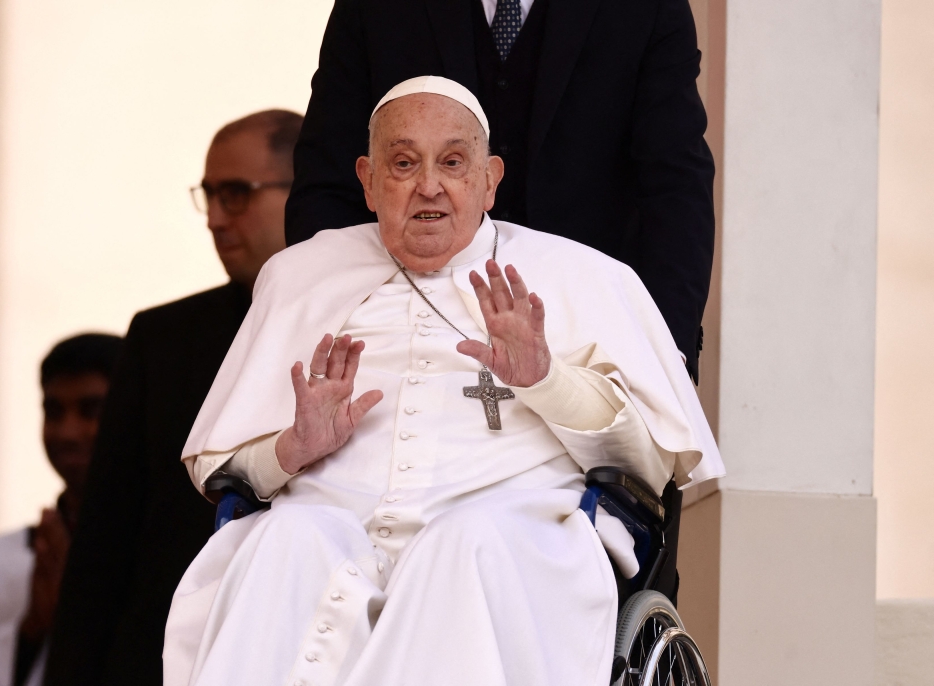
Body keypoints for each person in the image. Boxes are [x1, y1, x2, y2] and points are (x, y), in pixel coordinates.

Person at [164, 77, 722, 686]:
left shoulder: (580, 275)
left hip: (506, 540)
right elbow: (223, 471)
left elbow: (647, 462)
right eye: (403, 163)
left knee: (462, 545)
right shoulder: (302, 275)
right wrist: (290, 449)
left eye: (453, 162)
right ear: (368, 180)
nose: (428, 184)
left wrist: (546, 379)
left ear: (490, 180)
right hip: (331, 528)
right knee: (286, 539)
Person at [286, 0, 716, 382]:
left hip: (586, 339)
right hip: (400, 339)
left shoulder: (650, 6)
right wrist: (328, 323)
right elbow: (329, 177)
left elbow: (674, 184)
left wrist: (663, 356)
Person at [43, 110, 304, 686]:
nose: (214, 218)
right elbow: (105, 544)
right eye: (208, 196)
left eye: (236, 195)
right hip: (163, 652)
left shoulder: (371, 318)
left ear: (304, 187)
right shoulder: (161, 339)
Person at [0, 333, 124, 686]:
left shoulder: (165, 554)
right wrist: (29, 632)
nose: (67, 431)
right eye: (54, 411)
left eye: (91, 410)